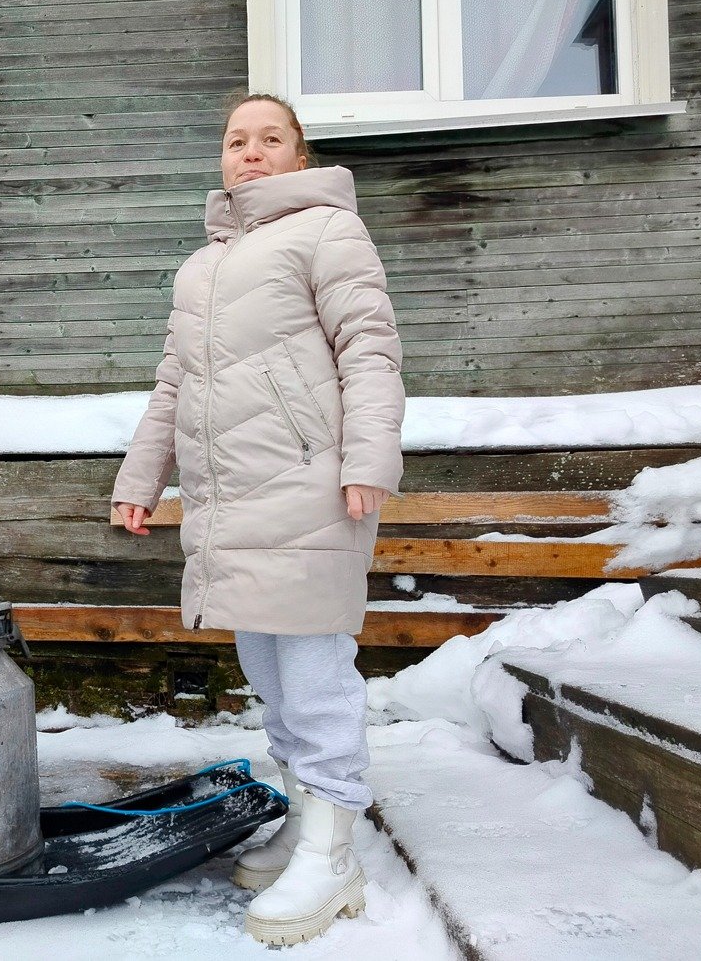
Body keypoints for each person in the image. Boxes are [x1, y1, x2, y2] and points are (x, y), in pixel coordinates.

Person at [111, 92, 406, 946]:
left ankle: (335, 847)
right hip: (228, 496)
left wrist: (367, 460)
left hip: (311, 484)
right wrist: (143, 478)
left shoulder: (328, 231)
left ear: (300, 158)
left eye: (270, 138)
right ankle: (309, 822)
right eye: (237, 140)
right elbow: (175, 386)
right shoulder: (201, 269)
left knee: (314, 665)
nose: (251, 151)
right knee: (269, 666)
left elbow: (370, 349)